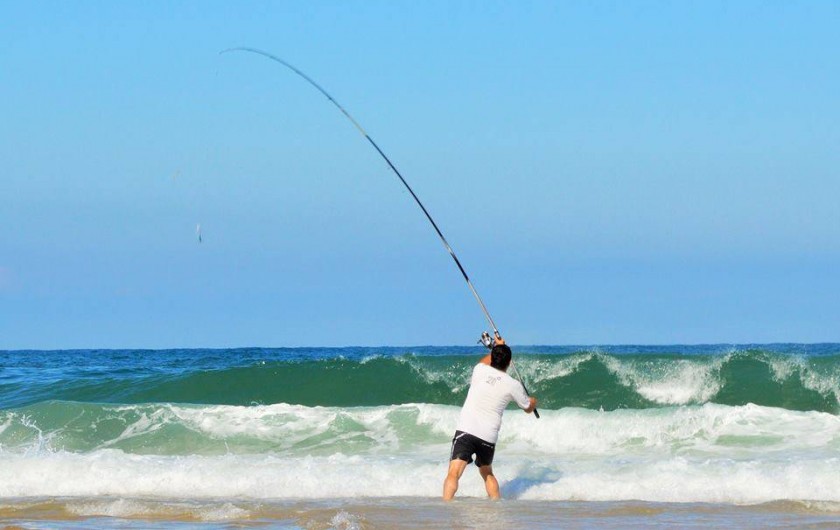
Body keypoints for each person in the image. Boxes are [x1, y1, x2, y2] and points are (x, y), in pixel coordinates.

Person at [442, 336, 538, 500]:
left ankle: (447, 504)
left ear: (493, 356)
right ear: (509, 363)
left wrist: (498, 346)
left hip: (467, 430)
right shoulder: (513, 384)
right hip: (488, 436)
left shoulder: (479, 370)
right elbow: (527, 408)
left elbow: (487, 360)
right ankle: (495, 504)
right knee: (487, 472)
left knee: (454, 472)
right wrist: (533, 402)